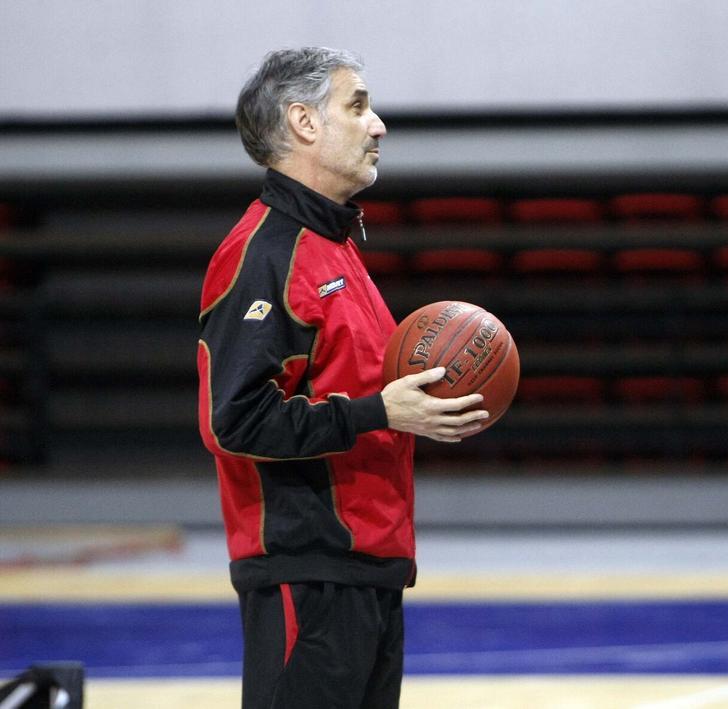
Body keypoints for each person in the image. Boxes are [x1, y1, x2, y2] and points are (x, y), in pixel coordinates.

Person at [197, 47, 489, 708]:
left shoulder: (334, 246)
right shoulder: (266, 253)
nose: (378, 124)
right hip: (310, 574)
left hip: (367, 572)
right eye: (357, 105)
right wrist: (377, 413)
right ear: (302, 122)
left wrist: (403, 409)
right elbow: (233, 418)